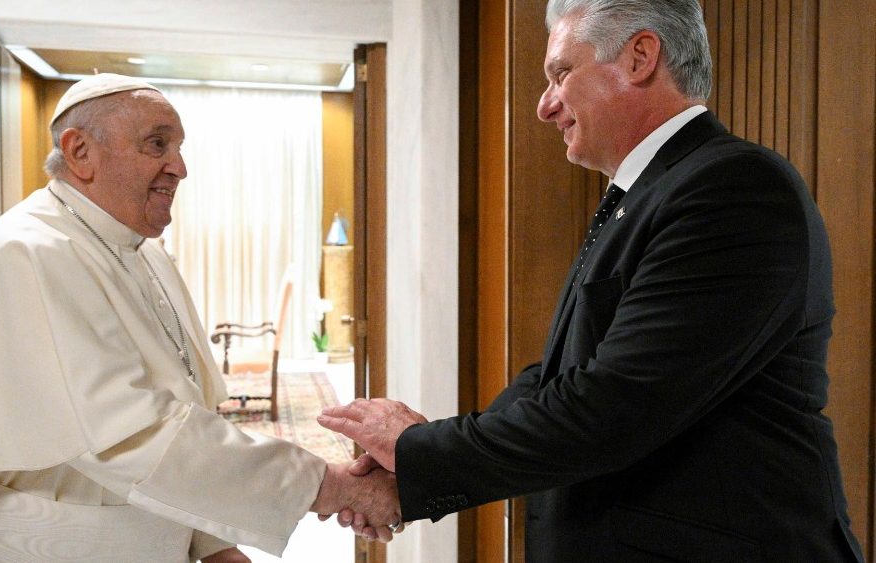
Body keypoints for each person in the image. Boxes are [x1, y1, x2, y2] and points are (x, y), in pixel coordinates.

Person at [319, 1, 867, 561]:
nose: (544, 105)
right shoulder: (652, 192)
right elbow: (558, 377)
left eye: (561, 73)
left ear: (640, 57)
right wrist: (414, 467)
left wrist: (419, 451)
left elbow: (616, 405)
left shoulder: (733, 188)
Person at [0, 73, 399, 562]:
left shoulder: (144, 251)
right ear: (79, 152)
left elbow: (183, 407)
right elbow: (127, 434)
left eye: (178, 148)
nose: (180, 167)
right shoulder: (24, 254)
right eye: (157, 144)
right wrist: (332, 486)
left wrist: (211, 542)